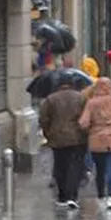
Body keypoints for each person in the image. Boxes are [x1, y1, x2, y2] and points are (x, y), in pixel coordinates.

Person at [78, 77, 111, 209]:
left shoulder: (91, 103)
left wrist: (89, 130)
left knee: (100, 169)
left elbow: (83, 123)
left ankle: (101, 195)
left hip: (96, 140)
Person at [39, 80, 88, 208]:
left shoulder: (50, 99)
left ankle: (62, 195)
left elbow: (44, 119)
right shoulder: (81, 98)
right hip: (77, 137)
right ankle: (72, 195)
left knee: (60, 166)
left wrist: (48, 133)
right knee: (75, 166)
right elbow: (86, 118)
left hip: (57, 137)